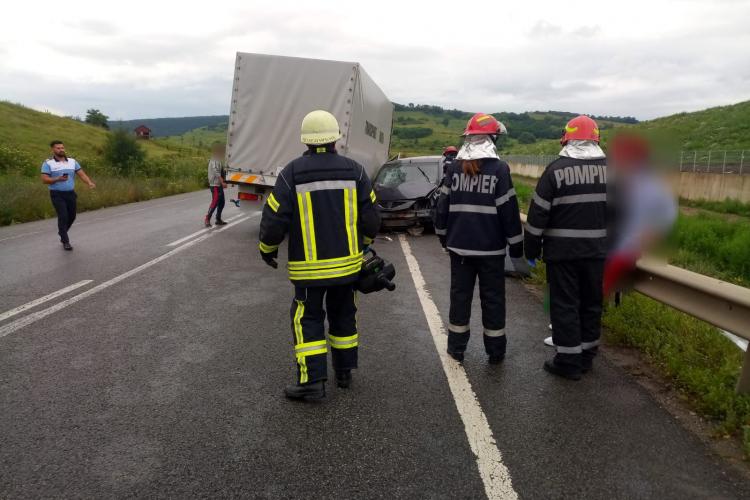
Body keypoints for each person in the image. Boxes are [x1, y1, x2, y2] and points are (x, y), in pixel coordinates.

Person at [258, 110, 381, 400]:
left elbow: (274, 220)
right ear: (335, 138)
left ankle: (312, 382)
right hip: (347, 268)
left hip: (309, 272)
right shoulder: (356, 170)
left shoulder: (291, 173)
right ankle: (344, 373)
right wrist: (364, 245)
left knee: (307, 318)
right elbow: (373, 218)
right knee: (343, 316)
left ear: (307, 141)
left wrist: (268, 249)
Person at [434, 113, 524, 364]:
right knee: (493, 300)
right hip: (491, 251)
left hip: (459, 248)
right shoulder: (500, 169)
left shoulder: (453, 169)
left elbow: (442, 207)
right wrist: (516, 246)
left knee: (459, 298)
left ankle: (456, 348)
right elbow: (509, 212)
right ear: (493, 138)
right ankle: (495, 351)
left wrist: (443, 237)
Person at [524, 115, 608, 380]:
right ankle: (586, 357)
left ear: (567, 138)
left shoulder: (555, 171)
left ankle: (568, 362)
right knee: (592, 304)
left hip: (562, 254)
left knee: (565, 305)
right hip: (598, 253)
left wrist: (531, 248)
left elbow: (538, 216)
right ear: (596, 138)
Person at [40, 141, 96, 251]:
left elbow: (82, 174)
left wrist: (89, 182)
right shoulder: (48, 163)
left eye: (62, 148)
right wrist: (57, 179)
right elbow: (44, 180)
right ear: (53, 150)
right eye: (58, 148)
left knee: (72, 216)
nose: (61, 150)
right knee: (63, 216)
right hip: (57, 194)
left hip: (70, 193)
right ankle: (65, 241)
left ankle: (62, 232)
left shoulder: (72, 161)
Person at [205, 144, 227, 227]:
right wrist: (222, 182)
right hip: (215, 185)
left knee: (222, 202)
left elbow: (221, 171)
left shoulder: (218, 160)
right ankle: (207, 219)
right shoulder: (214, 159)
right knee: (215, 202)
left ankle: (218, 219)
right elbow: (216, 172)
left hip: (218, 185)